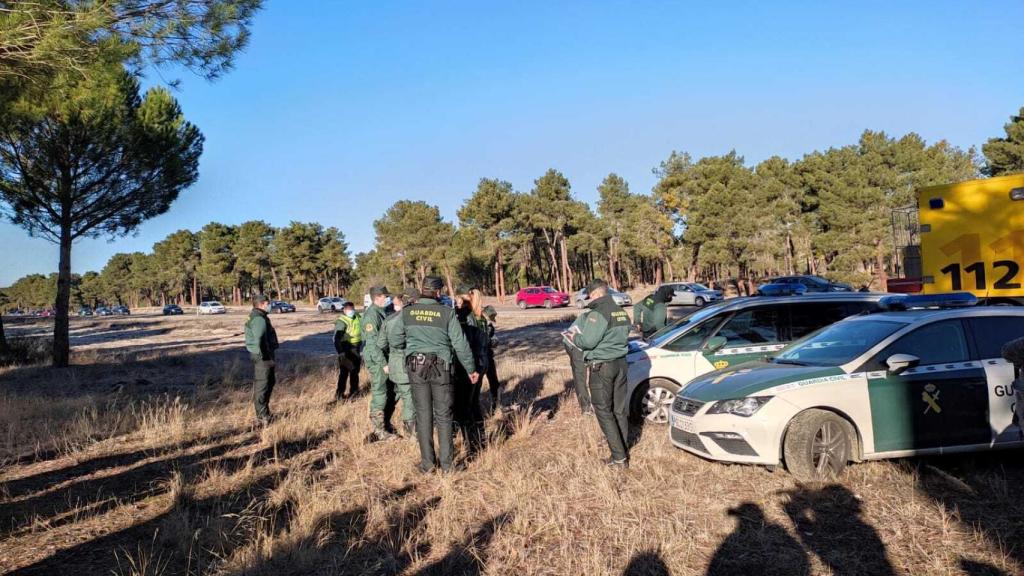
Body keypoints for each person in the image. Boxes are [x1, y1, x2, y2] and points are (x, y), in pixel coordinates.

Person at [395, 276, 478, 473]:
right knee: (444, 416)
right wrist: (471, 368)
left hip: (416, 368)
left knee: (423, 416)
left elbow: (396, 338)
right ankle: (448, 466)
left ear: (422, 289)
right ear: (438, 292)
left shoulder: (407, 312)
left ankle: (427, 465)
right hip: (442, 369)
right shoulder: (446, 313)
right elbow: (460, 344)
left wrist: (411, 345)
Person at [568, 279, 631, 467]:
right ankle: (622, 446)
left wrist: (574, 337)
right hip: (621, 363)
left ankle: (619, 457)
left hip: (602, 367)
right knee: (619, 410)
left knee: (603, 410)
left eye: (590, 296)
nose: (589, 299)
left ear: (596, 294)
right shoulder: (620, 311)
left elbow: (588, 341)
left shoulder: (599, 313)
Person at [378, 288, 418, 438]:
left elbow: (381, 343)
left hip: (394, 363)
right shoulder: (409, 319)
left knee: (394, 394)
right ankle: (411, 432)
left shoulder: (389, 319)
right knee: (409, 397)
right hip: (405, 364)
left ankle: (383, 424)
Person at [453, 285, 489, 451]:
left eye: (458, 298)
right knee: (473, 402)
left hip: (469, 365)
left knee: (464, 405)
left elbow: (462, 344)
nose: (455, 302)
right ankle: (480, 438)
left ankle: (474, 443)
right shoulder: (480, 315)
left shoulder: (464, 317)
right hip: (480, 362)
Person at [362, 286, 395, 441]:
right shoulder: (371, 316)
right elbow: (372, 344)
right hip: (377, 361)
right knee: (380, 392)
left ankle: (385, 424)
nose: (387, 299)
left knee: (390, 391)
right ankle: (378, 431)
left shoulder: (381, 312)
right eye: (385, 296)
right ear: (378, 297)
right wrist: (383, 363)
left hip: (384, 358)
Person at [243, 294, 279, 426]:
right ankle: (262, 417)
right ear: (262, 304)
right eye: (268, 303)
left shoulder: (258, 316)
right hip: (263, 357)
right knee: (263, 386)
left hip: (261, 356)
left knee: (269, 383)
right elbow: (260, 340)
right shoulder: (259, 319)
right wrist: (267, 358)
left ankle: (265, 413)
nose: (270, 305)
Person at [562, 309, 593, 414]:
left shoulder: (602, 313)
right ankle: (586, 408)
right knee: (580, 375)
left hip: (582, 341)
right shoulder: (593, 317)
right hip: (573, 345)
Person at [333, 300, 362, 401]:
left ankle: (354, 392)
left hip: (356, 348)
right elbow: (336, 339)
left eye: (352, 309)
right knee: (345, 372)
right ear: (344, 310)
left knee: (355, 372)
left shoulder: (357, 316)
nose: (351, 311)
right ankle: (340, 394)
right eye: (349, 309)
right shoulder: (342, 321)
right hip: (346, 348)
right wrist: (341, 352)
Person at [482, 305, 502, 412]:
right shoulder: (476, 323)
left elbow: (493, 338)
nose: (490, 322)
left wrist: (494, 341)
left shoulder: (490, 326)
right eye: (489, 319)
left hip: (488, 356)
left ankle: (496, 405)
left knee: (494, 382)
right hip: (479, 359)